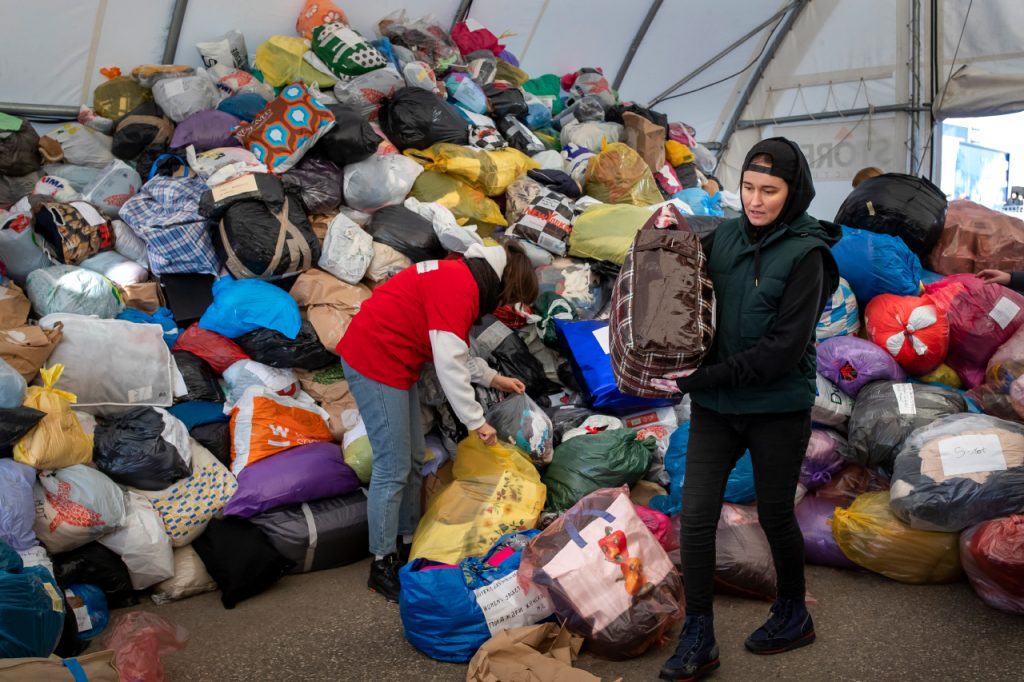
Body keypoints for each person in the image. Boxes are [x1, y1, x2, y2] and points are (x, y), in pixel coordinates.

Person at [652, 138, 840, 681]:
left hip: (776, 406)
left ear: (793, 192)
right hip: (717, 403)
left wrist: (703, 377)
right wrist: (668, 242)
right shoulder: (727, 235)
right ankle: (700, 631)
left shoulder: (809, 255)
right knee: (696, 511)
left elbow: (783, 350)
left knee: (777, 514)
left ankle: (793, 610)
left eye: (769, 191)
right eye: (748, 188)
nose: (755, 201)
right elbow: (691, 291)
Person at [337, 242, 539, 602]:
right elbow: (449, 366)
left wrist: (495, 379)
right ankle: (380, 564)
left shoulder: (464, 278)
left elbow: (457, 352)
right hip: (374, 359)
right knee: (392, 467)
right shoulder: (460, 288)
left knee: (414, 459)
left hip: (397, 363)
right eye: (509, 297)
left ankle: (409, 542)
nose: (504, 304)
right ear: (504, 282)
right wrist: (477, 422)